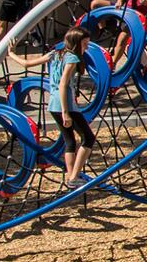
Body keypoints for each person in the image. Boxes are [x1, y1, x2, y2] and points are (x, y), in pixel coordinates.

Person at [14, 27, 96, 188]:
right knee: (88, 138)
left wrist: (10, 53)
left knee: (70, 141)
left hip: (52, 104)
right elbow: (63, 84)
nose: (86, 47)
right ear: (76, 43)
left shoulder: (55, 54)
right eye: (84, 43)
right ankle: (74, 176)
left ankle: (71, 178)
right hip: (64, 105)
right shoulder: (72, 58)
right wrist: (66, 112)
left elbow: (26, 63)